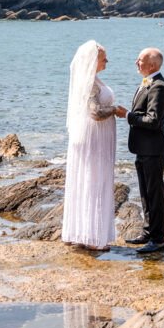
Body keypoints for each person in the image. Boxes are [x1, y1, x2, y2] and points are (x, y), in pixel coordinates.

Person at [62, 41, 126, 250]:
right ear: (93, 60)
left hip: (94, 137)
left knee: (87, 179)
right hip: (93, 139)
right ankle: (92, 237)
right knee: (93, 181)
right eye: (103, 58)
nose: (107, 61)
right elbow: (95, 113)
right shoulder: (90, 83)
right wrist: (116, 109)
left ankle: (80, 232)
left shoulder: (92, 80)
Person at [115, 47, 164, 254]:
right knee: (146, 194)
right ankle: (148, 232)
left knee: (154, 194)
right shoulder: (149, 82)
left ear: (152, 65)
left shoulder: (159, 87)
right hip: (143, 148)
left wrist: (127, 115)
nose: (136, 63)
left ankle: (158, 240)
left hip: (154, 149)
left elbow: (154, 121)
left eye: (140, 60)